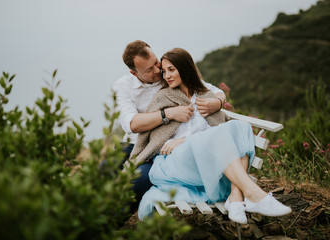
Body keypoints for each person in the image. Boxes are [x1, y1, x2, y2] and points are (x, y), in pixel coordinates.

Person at [126, 48, 292, 223]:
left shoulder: (205, 95)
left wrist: (217, 104)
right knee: (214, 137)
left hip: (208, 160)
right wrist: (177, 131)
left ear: (185, 68)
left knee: (240, 127)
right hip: (173, 162)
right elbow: (148, 136)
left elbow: (221, 128)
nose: (166, 75)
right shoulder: (162, 98)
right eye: (164, 71)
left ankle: (235, 199)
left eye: (172, 70)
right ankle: (254, 195)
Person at [113, 40, 226, 213]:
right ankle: (85, 216)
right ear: (134, 73)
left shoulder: (169, 76)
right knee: (105, 167)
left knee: (137, 179)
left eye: (156, 63)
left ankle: (111, 225)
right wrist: (168, 114)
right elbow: (131, 124)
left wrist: (218, 102)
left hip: (161, 147)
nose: (158, 71)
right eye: (149, 70)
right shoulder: (123, 86)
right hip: (137, 144)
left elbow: (209, 89)